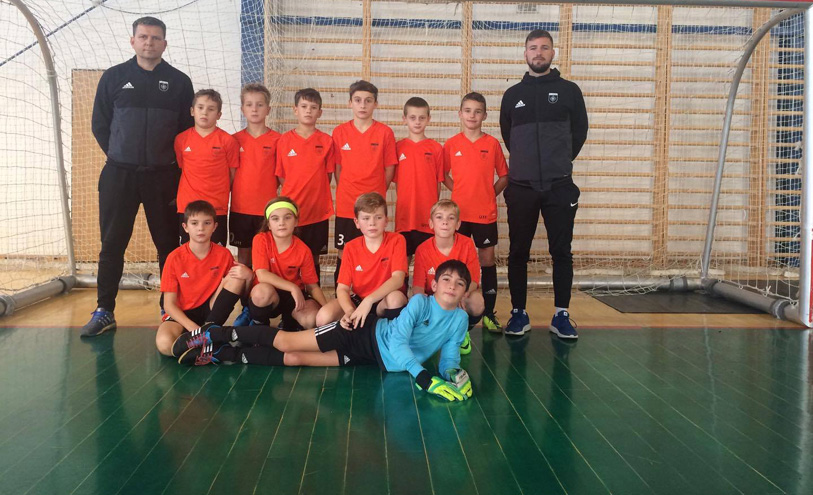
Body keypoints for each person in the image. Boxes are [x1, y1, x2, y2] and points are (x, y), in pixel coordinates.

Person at [173, 260, 474, 403]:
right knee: (288, 341)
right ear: (434, 284)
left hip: (374, 359)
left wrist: (455, 374)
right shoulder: (420, 303)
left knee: (295, 359)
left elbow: (449, 357)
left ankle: (223, 354)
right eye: (446, 280)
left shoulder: (460, 320)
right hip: (361, 333)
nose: (452, 286)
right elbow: (397, 342)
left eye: (459, 284)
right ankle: (214, 334)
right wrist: (423, 377)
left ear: (464, 292)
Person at [84, 16, 194, 337]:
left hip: (164, 177)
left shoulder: (179, 82)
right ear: (132, 41)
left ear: (164, 44)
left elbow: (186, 131)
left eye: (156, 38)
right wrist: (121, 155)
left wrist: (165, 163)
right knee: (112, 244)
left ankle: (168, 309)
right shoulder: (114, 77)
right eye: (143, 37)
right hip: (119, 175)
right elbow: (100, 124)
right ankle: (104, 310)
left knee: (168, 245)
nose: (149, 42)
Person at [499, 29, 588, 339]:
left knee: (561, 252)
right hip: (521, 187)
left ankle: (561, 315)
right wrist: (526, 165)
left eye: (544, 47)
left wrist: (558, 162)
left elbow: (579, 133)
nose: (538, 52)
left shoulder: (570, 91)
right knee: (518, 253)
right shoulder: (512, 95)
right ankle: (518, 313)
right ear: (525, 54)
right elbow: (509, 136)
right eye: (533, 48)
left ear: (553, 53)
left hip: (559, 186)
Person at [443, 92, 508, 333]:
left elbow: (504, 176)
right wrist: (459, 191)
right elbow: (443, 175)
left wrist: (489, 194)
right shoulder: (451, 144)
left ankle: (489, 313)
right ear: (460, 114)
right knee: (458, 263)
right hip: (459, 215)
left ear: (485, 115)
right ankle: (455, 313)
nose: (472, 115)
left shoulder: (492, 144)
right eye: (468, 111)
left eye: (477, 111)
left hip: (484, 214)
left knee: (487, 261)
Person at [156, 200, 252, 357]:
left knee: (237, 276)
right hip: (182, 315)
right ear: (185, 227)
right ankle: (209, 344)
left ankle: (208, 334)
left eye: (207, 223)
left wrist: (249, 276)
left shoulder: (224, 254)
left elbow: (240, 291)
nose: (201, 228)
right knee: (164, 344)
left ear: (214, 226)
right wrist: (194, 329)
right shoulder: (174, 258)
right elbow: (169, 305)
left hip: (210, 313)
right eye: (194, 223)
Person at [331, 80, 398, 285]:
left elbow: (389, 168)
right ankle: (341, 296)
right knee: (344, 252)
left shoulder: (385, 132)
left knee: (374, 249)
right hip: (346, 204)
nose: (363, 105)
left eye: (368, 101)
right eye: (358, 100)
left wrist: (376, 192)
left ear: (375, 104)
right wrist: (348, 189)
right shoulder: (339, 132)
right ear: (349, 103)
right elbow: (337, 169)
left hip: (374, 205)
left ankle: (371, 295)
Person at [315, 192, 408, 327]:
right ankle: (351, 333)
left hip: (384, 300)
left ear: (386, 221)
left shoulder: (397, 240)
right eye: (366, 218)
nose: (372, 223)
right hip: (360, 301)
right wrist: (349, 311)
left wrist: (369, 300)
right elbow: (342, 288)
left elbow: (398, 279)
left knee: (396, 299)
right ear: (357, 222)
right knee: (323, 317)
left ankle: (387, 335)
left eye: (378, 217)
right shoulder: (350, 247)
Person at [276, 88, 336, 280]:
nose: (308, 110)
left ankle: (312, 294)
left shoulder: (326, 141)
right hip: (291, 211)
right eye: (304, 106)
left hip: (317, 211)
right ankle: (291, 296)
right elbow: (281, 177)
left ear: (320, 112)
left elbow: (328, 175)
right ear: (295, 110)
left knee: (314, 257)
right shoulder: (284, 140)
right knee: (290, 255)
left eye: (313, 107)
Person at [413, 199, 484, 355]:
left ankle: (462, 332)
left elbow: (473, 280)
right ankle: (430, 332)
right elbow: (418, 286)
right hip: (434, 300)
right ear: (431, 223)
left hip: (457, 296)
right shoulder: (422, 249)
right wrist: (425, 308)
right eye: (439, 217)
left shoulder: (467, 244)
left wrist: (460, 296)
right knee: (415, 301)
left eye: (450, 218)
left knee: (477, 302)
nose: (445, 222)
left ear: (458, 224)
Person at [247, 197, 327, 329]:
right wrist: (293, 287)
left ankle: (289, 323)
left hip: (293, 297)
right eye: (275, 219)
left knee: (311, 319)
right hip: (270, 293)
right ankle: (259, 325)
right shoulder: (261, 240)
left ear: (296, 222)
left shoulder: (303, 250)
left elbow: (312, 286)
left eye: (287, 217)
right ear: (268, 224)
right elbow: (262, 275)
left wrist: (326, 308)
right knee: (261, 294)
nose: (282, 223)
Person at [174, 88, 240, 246]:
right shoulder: (181, 139)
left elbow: (232, 174)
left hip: (216, 208)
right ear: (192, 111)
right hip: (187, 207)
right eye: (200, 107)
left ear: (219, 115)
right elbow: (182, 169)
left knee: (215, 253)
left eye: (211, 109)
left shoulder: (228, 141)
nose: (205, 112)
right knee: (189, 254)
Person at [394, 97, 444, 284]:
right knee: (402, 265)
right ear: (404, 119)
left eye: (422, 118)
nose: (417, 122)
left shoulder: (436, 148)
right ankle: (401, 300)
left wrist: (433, 212)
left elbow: (438, 183)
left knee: (428, 264)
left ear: (428, 119)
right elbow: (396, 182)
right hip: (404, 217)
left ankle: (425, 298)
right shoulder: (397, 148)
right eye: (412, 117)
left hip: (426, 218)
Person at [230, 83, 281, 267]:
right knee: (243, 257)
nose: (254, 109)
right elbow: (230, 176)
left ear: (268, 109)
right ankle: (245, 288)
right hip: (240, 208)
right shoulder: (234, 140)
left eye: (260, 104)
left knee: (267, 255)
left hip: (267, 209)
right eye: (249, 104)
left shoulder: (278, 140)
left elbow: (280, 176)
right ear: (242, 109)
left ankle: (264, 287)